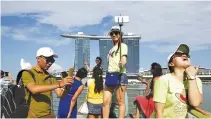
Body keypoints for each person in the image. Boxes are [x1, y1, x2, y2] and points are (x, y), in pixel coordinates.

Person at [152, 44, 203, 118]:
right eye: (178, 53)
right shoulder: (164, 80)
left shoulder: (196, 80)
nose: (184, 55)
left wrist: (192, 77)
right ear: (171, 63)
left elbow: (195, 103)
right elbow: (159, 112)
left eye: (186, 54)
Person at [21, 47, 74, 118]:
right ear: (38, 58)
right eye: (48, 59)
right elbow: (34, 89)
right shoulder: (27, 73)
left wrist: (67, 86)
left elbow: (60, 94)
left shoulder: (50, 77)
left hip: (48, 115)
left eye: (52, 60)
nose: (50, 62)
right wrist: (59, 84)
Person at [103, 26, 128, 118]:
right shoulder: (110, 50)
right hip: (110, 75)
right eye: (112, 33)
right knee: (105, 101)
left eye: (116, 33)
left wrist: (123, 63)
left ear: (120, 35)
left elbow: (124, 58)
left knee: (120, 101)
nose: (114, 35)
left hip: (120, 75)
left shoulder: (123, 46)